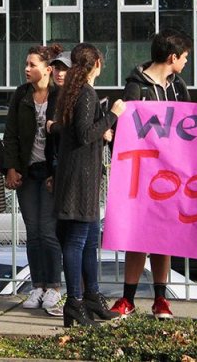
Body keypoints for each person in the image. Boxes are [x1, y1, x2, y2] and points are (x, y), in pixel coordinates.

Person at [109, 29, 192, 321]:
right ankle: (128, 299)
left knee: (163, 238)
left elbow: (189, 123)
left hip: (172, 174)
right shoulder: (136, 87)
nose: (186, 63)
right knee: (138, 237)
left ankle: (160, 299)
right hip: (143, 174)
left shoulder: (178, 86)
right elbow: (125, 129)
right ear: (172, 57)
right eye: (184, 57)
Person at [48, 43, 124, 327]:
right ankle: (75, 302)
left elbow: (77, 131)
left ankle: (91, 296)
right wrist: (113, 115)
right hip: (80, 179)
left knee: (91, 240)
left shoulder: (75, 92)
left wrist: (102, 130)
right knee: (77, 241)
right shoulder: (87, 93)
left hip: (82, 176)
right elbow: (83, 134)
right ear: (97, 65)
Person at [4, 45, 64, 312]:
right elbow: (11, 134)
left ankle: (54, 287)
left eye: (32, 65)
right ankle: (37, 285)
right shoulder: (22, 94)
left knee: (48, 231)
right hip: (28, 172)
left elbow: (62, 140)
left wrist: (56, 173)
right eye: (26, 64)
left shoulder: (60, 95)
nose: (26, 69)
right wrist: (11, 167)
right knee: (33, 232)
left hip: (50, 171)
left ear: (48, 69)